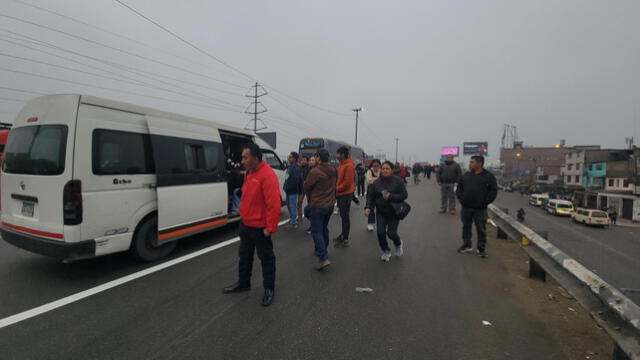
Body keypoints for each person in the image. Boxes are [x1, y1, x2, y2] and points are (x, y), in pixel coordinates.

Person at [223, 144, 281, 307]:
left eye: (245, 157)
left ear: (256, 158)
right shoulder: (250, 172)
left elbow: (274, 205)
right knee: (244, 256)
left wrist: (270, 228)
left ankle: (269, 289)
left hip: (260, 227)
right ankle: (243, 283)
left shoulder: (267, 175)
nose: (242, 161)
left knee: (267, 259)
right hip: (246, 224)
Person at [455, 155, 498, 258]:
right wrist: (461, 199)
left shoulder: (489, 177)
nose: (470, 164)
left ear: (479, 164)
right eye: (470, 162)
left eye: (472, 162)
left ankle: (481, 248)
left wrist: (484, 202)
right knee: (466, 227)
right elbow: (459, 188)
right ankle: (467, 245)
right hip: (466, 207)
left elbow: (493, 192)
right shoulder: (466, 176)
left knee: (481, 229)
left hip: (480, 209)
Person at [365, 161, 408, 262]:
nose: (384, 170)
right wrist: (367, 207)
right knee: (380, 233)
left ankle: (398, 244)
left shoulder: (398, 181)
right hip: (381, 211)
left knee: (391, 233)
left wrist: (391, 196)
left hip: (394, 212)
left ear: (391, 170)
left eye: (387, 168)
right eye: (383, 168)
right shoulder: (376, 183)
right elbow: (371, 196)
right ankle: (386, 251)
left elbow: (404, 195)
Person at [304, 149, 337, 270]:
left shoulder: (315, 171)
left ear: (318, 157)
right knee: (323, 228)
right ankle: (323, 249)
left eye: (315, 157)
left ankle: (322, 258)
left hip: (318, 204)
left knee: (316, 230)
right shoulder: (333, 169)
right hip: (330, 204)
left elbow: (307, 186)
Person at [334, 146, 355, 247]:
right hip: (341, 194)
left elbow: (347, 182)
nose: (336, 156)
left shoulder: (349, 165)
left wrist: (337, 189)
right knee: (343, 216)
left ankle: (345, 238)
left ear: (342, 154)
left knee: (345, 217)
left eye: (338, 154)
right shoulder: (342, 165)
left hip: (345, 194)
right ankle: (343, 235)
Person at [283, 152, 303, 228]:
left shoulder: (296, 168)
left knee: (292, 206)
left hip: (292, 191)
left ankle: (293, 223)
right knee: (289, 205)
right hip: (289, 191)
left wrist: (287, 188)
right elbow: (287, 179)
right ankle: (292, 219)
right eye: (289, 156)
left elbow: (295, 181)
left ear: (294, 159)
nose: (288, 158)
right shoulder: (290, 166)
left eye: (290, 157)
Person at [225, 145, 243, 214]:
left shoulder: (227, 157)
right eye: (228, 148)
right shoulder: (227, 158)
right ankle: (235, 209)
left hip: (228, 178)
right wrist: (241, 164)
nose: (229, 150)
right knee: (236, 191)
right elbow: (234, 166)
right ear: (226, 149)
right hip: (228, 178)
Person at [364, 159, 382, 231]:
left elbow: (385, 179)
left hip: (380, 192)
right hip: (371, 192)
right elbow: (369, 181)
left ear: (379, 166)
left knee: (381, 208)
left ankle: (382, 224)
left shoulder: (382, 171)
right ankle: (370, 224)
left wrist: (374, 179)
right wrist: (379, 179)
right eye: (374, 166)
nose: (376, 167)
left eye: (377, 166)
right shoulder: (369, 171)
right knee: (371, 208)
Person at [297, 156, 311, 224]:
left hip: (308, 189)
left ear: (307, 161)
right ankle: (300, 217)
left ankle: (311, 217)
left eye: (304, 160)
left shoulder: (309, 168)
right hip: (301, 188)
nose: (303, 161)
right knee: (299, 203)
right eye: (302, 160)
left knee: (310, 204)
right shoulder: (299, 168)